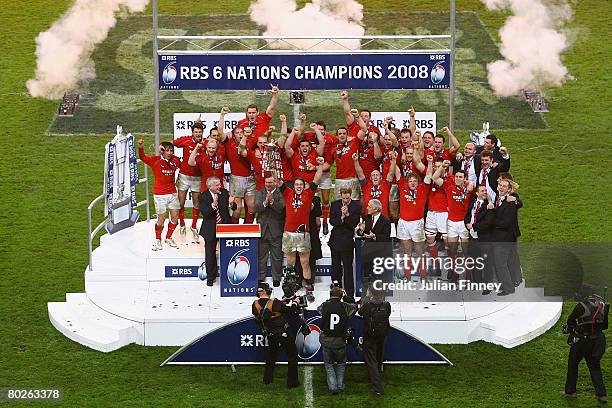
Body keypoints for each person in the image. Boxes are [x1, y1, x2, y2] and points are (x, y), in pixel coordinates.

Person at [280, 160, 324, 292]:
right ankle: (290, 286)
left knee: (305, 262)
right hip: (289, 233)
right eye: (296, 184)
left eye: (301, 184)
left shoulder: (308, 194)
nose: (299, 186)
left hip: (304, 234)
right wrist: (271, 165)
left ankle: (309, 286)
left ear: (304, 186)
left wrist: (320, 166)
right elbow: (278, 181)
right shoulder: (287, 194)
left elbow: (316, 179)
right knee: (291, 263)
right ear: (293, 186)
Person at [561, 284, 608, 403]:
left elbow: (570, 321)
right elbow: (604, 325)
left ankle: (570, 391)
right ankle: (601, 395)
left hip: (582, 341)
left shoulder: (580, 306)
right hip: (597, 340)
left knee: (573, 365)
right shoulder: (602, 304)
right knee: (595, 367)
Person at [252, 282, 300, 388]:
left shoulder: (255, 304)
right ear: (266, 291)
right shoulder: (274, 302)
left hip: (270, 334)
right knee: (292, 356)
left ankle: (267, 379)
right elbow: (291, 310)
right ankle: (292, 383)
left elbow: (266, 311)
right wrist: (295, 302)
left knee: (271, 356)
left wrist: (282, 303)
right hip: (283, 332)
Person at [137, 139, 181, 250]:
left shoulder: (175, 160)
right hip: (160, 194)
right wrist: (141, 148)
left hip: (172, 193)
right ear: (162, 151)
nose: (170, 152)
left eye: (171, 150)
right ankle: (158, 240)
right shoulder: (155, 161)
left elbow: (182, 165)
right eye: (167, 150)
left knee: (175, 217)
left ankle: (168, 237)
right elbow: (143, 158)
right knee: (162, 218)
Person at [218, 108, 257, 224]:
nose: (240, 135)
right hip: (236, 178)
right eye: (237, 133)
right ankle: (234, 229)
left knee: (251, 206)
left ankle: (248, 228)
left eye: (241, 133)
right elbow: (220, 132)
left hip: (250, 178)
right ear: (233, 136)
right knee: (237, 208)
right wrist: (222, 116)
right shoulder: (229, 143)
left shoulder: (250, 142)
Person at [317, 285, 358, 394]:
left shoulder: (325, 305)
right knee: (341, 363)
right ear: (341, 296)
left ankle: (333, 387)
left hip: (327, 340)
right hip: (340, 340)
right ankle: (340, 385)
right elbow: (355, 307)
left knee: (328, 364)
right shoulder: (345, 307)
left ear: (330, 296)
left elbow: (319, 310)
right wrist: (346, 298)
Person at [198, 176, 235, 286]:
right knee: (210, 254)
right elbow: (204, 213)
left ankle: (229, 276)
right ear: (210, 186)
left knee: (228, 252)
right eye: (217, 185)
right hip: (210, 228)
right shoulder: (203, 196)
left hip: (225, 227)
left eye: (220, 184)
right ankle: (210, 277)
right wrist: (213, 205)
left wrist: (231, 204)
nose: (220, 186)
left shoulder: (224, 193)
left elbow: (233, 208)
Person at [358, 283, 392, 395]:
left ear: (371, 292)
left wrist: (367, 297)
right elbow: (388, 314)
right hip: (382, 335)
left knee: (371, 362)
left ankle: (378, 388)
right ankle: (377, 373)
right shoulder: (387, 305)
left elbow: (360, 312)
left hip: (369, 337)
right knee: (378, 358)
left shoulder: (367, 305)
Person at [173, 118, 204, 240]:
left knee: (197, 202)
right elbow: (171, 144)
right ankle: (181, 224)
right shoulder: (185, 140)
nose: (198, 134)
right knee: (180, 202)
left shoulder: (205, 143)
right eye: (196, 132)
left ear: (202, 133)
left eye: (200, 132)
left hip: (197, 177)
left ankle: (194, 225)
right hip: (184, 176)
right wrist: (176, 161)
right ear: (192, 133)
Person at [329, 187, 362, 299]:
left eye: (347, 198)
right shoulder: (334, 204)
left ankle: (350, 293)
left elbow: (354, 223)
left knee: (348, 267)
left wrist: (347, 215)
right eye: (343, 198)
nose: (345, 200)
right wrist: (341, 217)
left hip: (347, 241)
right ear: (341, 195)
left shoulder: (356, 206)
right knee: (335, 266)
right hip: (335, 240)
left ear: (350, 196)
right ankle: (336, 291)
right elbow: (332, 221)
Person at [490, 178, 521, 295]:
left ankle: (508, 288)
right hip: (501, 237)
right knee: (505, 262)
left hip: (504, 239)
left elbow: (507, 222)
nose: (501, 188)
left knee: (500, 263)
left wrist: (491, 222)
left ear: (509, 189)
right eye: (500, 185)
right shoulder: (499, 199)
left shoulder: (511, 202)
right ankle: (510, 283)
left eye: (504, 186)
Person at [254, 174, 285, 286]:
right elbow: (256, 207)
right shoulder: (260, 192)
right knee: (261, 256)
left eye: (270, 182)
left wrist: (272, 202)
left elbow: (281, 208)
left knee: (277, 256)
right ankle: (260, 277)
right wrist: (266, 202)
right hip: (262, 230)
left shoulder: (280, 193)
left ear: (275, 183)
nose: (268, 184)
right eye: (266, 182)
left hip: (276, 230)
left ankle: (276, 278)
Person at [464, 184, 496, 293]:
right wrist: (467, 224)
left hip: (484, 239)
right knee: (475, 261)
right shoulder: (473, 202)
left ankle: (488, 286)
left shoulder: (489, 205)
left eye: (485, 191)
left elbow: (488, 223)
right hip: (473, 238)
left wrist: (474, 226)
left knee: (487, 263)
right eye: (482, 191)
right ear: (477, 193)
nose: (485, 192)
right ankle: (477, 282)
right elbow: (468, 215)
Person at [356, 199, 392, 283]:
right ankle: (367, 294)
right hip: (368, 253)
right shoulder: (366, 218)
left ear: (376, 209)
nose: (367, 208)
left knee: (378, 278)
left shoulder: (386, 221)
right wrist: (361, 230)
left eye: (369, 206)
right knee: (367, 277)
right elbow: (361, 233)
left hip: (379, 254)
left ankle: (379, 295)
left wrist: (375, 236)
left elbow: (386, 237)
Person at [294, 195, 323, 289]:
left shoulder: (315, 199)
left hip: (311, 231)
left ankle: (310, 281)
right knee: (298, 257)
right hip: (298, 231)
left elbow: (319, 212)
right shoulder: (294, 199)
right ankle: (298, 281)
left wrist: (312, 207)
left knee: (311, 257)